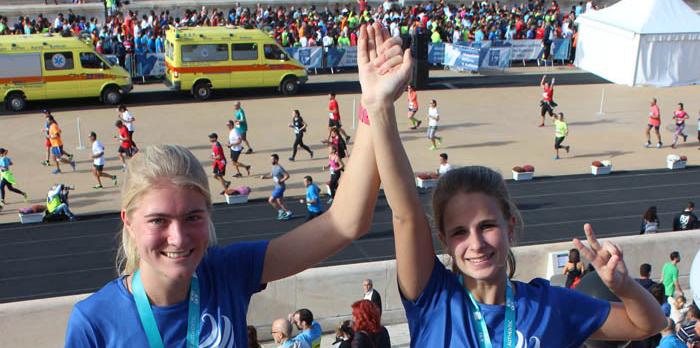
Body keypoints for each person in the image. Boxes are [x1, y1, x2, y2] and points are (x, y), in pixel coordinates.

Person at [357, 22, 665, 346]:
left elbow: (649, 323)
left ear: (510, 225)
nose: (475, 243)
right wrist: (379, 108)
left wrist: (624, 286)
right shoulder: (432, 297)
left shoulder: (552, 306)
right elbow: (405, 212)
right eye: (460, 231)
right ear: (444, 241)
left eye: (487, 225)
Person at [65, 131, 384, 346]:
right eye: (158, 220)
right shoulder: (94, 323)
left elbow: (346, 222)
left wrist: (373, 107)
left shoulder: (226, 272)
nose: (177, 238)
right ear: (129, 222)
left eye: (192, 217)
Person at [261, 154, 293, 220]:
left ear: (276, 159)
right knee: (280, 202)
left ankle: (281, 212)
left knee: (271, 200)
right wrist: (264, 177)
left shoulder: (279, 168)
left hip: (280, 187)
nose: (271, 161)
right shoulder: (274, 167)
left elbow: (287, 176)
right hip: (277, 187)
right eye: (270, 159)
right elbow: (271, 175)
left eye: (272, 159)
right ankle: (288, 213)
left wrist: (281, 181)